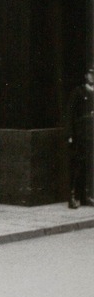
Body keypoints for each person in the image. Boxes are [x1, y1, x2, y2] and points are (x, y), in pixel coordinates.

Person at [66, 66, 94, 209]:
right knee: (78, 166)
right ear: (86, 76)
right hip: (80, 135)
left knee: (89, 166)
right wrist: (70, 134)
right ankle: (73, 197)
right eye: (91, 74)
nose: (92, 77)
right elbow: (70, 114)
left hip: (91, 136)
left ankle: (85, 197)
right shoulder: (79, 92)